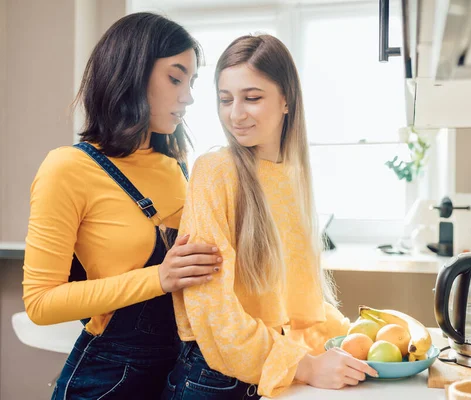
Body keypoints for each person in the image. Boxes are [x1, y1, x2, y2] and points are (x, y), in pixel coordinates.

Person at [163, 34, 378, 400]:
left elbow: (293, 297)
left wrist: (359, 333)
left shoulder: (292, 175)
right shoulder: (215, 171)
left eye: (252, 98)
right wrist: (306, 366)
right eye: (226, 99)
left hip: (270, 370)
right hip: (215, 380)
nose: (236, 114)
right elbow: (212, 309)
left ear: (286, 101)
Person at [22, 13, 221, 399]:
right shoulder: (68, 167)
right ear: (131, 73)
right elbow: (40, 302)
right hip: (107, 379)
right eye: (176, 78)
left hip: (178, 372)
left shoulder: (178, 166)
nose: (189, 96)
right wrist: (158, 278)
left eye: (191, 81)